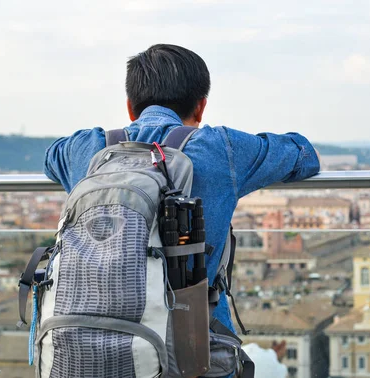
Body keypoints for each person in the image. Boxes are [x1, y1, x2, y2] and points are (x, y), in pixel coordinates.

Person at [43, 43, 320, 335]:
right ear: (200, 107)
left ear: (129, 106)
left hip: (90, 339)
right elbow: (304, 155)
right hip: (195, 345)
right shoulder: (219, 148)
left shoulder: (86, 149)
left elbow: (51, 157)